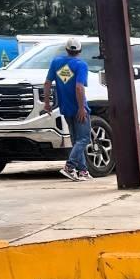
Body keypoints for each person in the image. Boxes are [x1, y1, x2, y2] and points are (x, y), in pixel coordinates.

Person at [42, 36, 92, 182]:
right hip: (78, 108)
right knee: (84, 138)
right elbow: (79, 87)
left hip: (65, 107)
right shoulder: (81, 65)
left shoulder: (56, 62)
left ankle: (82, 171)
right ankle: (69, 167)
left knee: (77, 140)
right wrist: (82, 108)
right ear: (80, 50)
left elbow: (47, 83)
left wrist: (47, 104)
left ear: (66, 49)